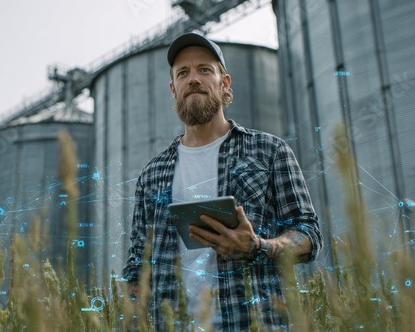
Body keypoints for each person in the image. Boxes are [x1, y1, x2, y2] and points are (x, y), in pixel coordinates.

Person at [122, 32, 323, 331]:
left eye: (205, 69)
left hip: (253, 324)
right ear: (173, 89)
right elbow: (138, 264)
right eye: (183, 73)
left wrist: (258, 247)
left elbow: (309, 234)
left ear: (224, 83)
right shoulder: (152, 174)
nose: (193, 79)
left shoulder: (269, 151)